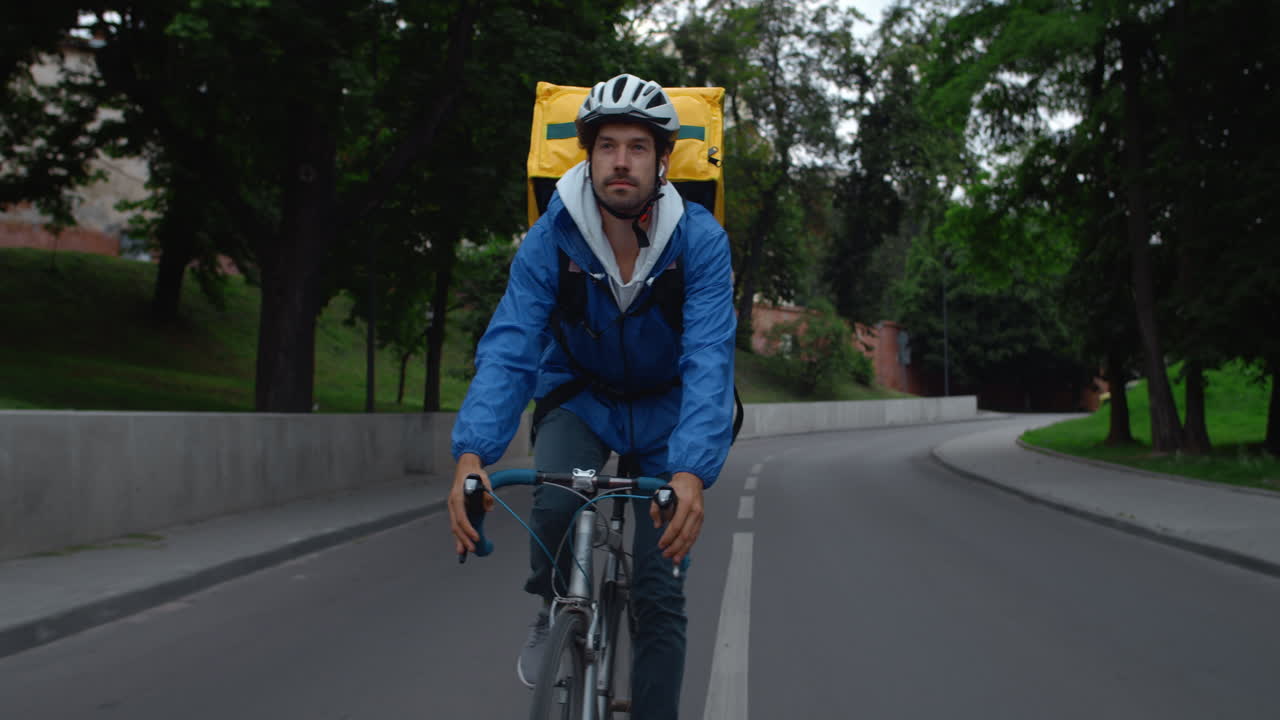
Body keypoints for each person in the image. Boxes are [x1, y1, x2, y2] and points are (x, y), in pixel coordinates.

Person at [447, 73, 736, 719]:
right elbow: (513, 343)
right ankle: (554, 606)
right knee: (553, 504)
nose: (622, 160)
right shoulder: (553, 235)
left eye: (639, 146)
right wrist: (472, 453)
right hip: (583, 397)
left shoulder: (701, 241)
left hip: (667, 413)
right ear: (588, 155)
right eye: (607, 145)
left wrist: (690, 471)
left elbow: (710, 358)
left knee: (659, 593)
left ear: (664, 161)